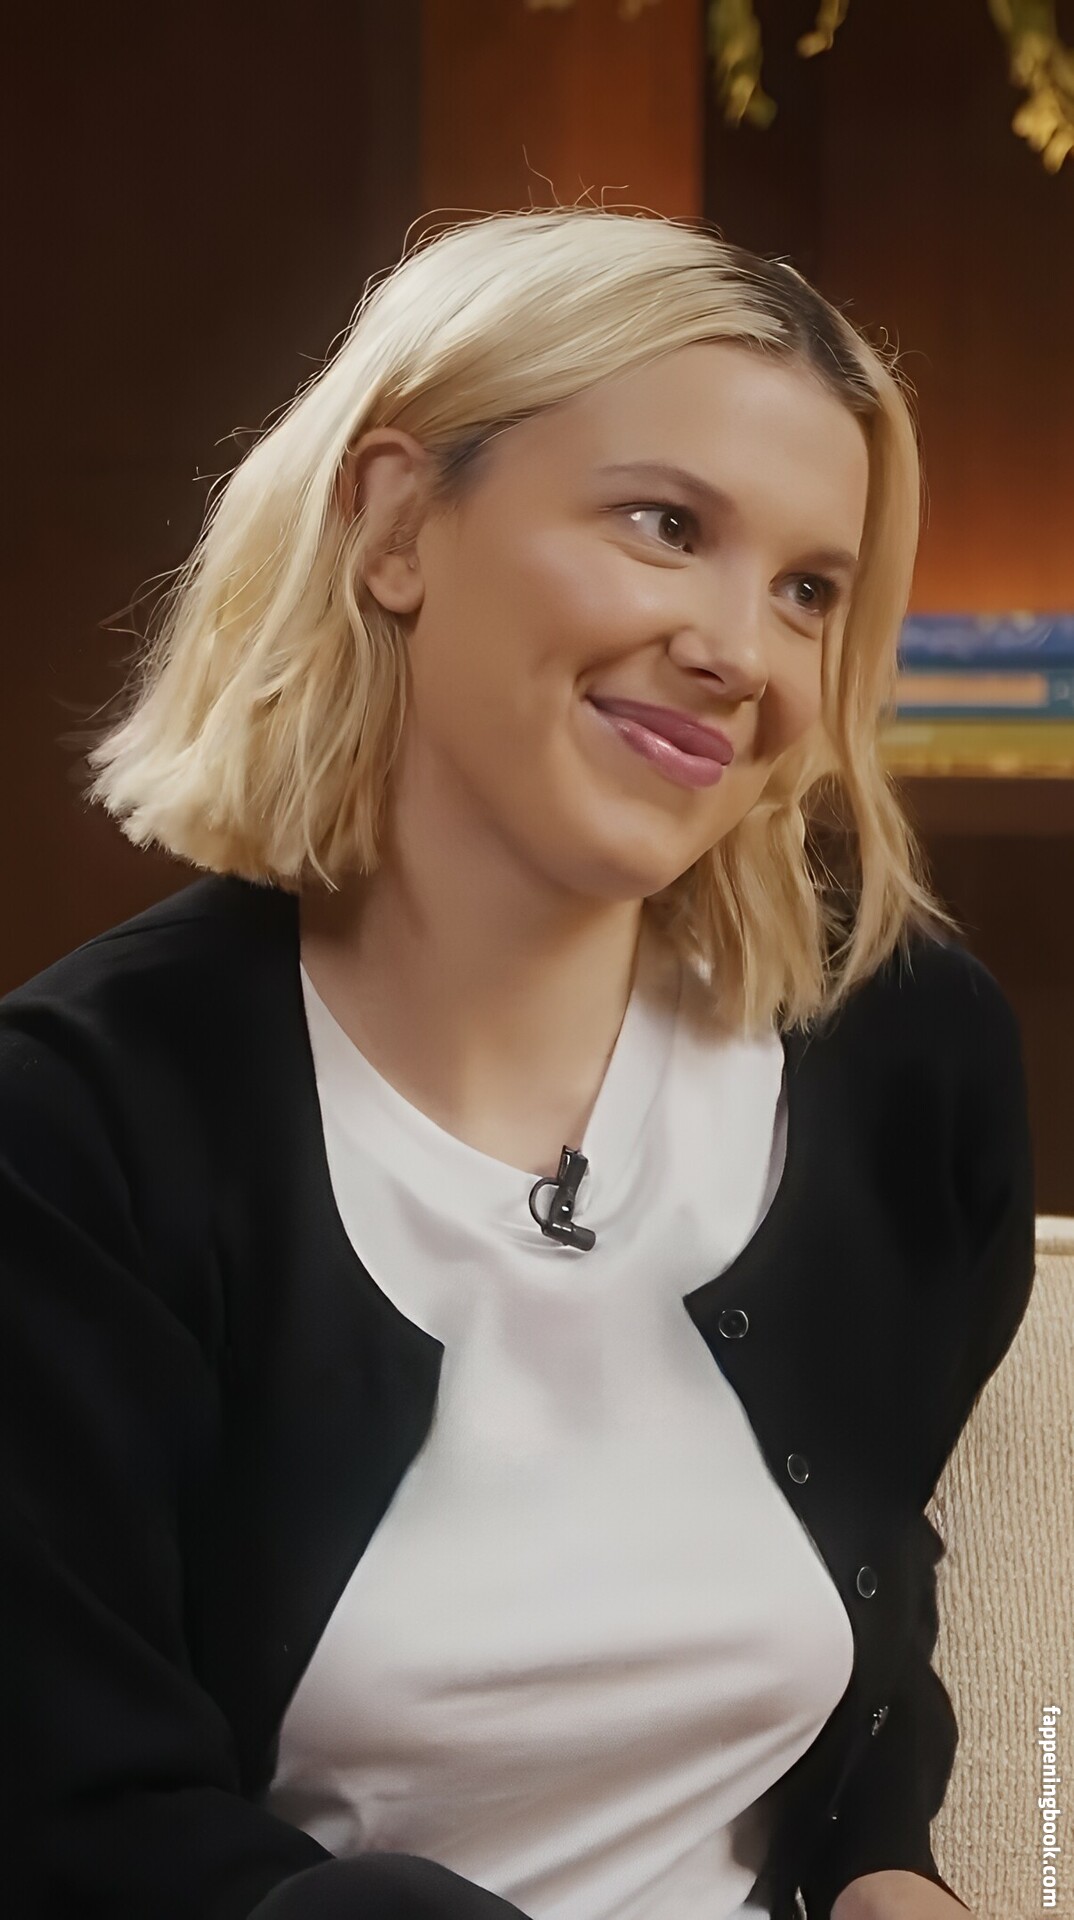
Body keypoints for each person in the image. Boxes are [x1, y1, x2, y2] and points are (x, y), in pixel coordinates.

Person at [0, 206, 1035, 1920]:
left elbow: (873, 1583)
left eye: (807, 590)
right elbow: (74, 1827)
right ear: (397, 525)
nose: (741, 652)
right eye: (664, 525)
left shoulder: (902, 1062)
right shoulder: (71, 1136)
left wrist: (881, 1865)